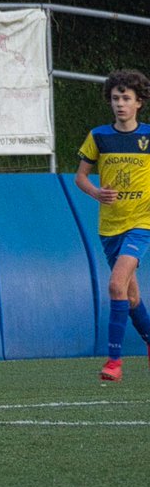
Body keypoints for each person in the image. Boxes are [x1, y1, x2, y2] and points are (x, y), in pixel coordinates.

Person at [74, 68, 150, 383]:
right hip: (109, 228)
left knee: (116, 285)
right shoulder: (99, 136)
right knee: (130, 298)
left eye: (126, 98)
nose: (120, 104)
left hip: (141, 224)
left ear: (139, 102)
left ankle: (114, 362)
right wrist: (96, 192)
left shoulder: (148, 136)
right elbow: (80, 177)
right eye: (116, 98)